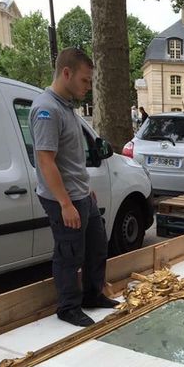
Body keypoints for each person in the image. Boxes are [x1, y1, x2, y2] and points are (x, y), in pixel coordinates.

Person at [29, 47, 118, 327]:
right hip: (63, 199)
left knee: (96, 247)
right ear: (66, 73)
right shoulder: (46, 109)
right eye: (84, 80)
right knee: (70, 253)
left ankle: (93, 295)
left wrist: (85, 187)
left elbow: (71, 159)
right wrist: (65, 203)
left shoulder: (66, 108)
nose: (88, 87)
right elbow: (46, 161)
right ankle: (68, 306)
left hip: (81, 195)